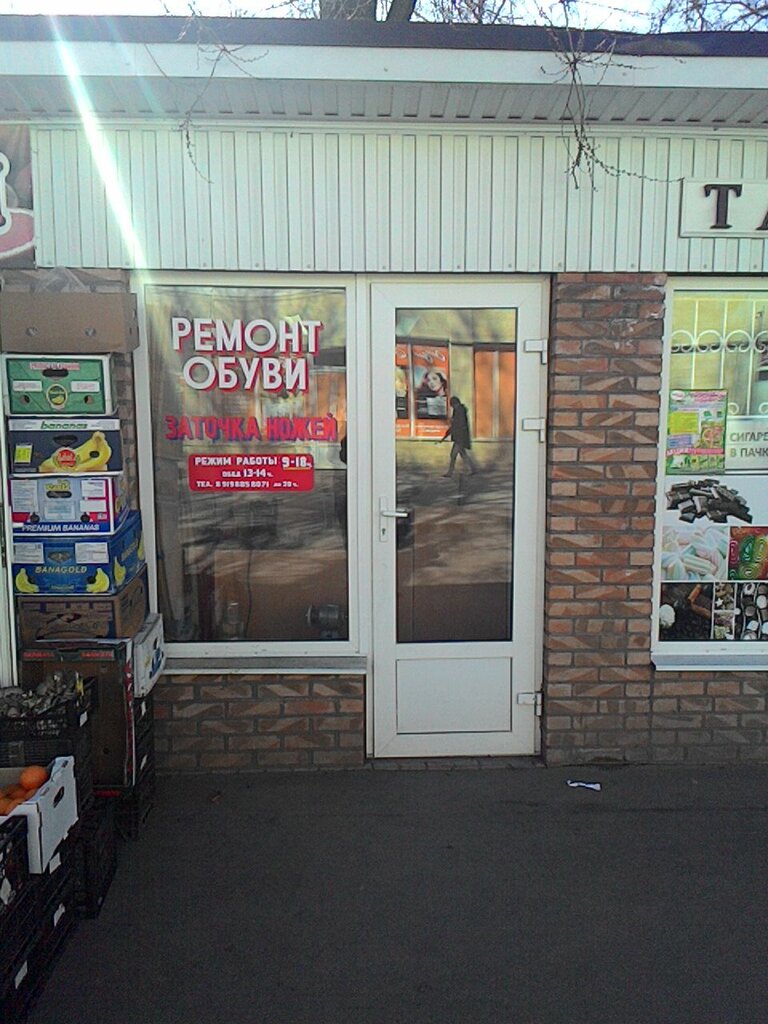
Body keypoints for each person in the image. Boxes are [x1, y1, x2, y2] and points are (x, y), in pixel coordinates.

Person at [440, 396, 478, 477]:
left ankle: (450, 472)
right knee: (463, 454)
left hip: (459, 438)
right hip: (460, 437)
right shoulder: (459, 411)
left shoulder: (459, 411)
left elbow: (457, 425)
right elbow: (455, 425)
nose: (452, 407)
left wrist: (447, 434)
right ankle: (472, 469)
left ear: (455, 404)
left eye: (452, 405)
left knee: (453, 454)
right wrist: (446, 435)